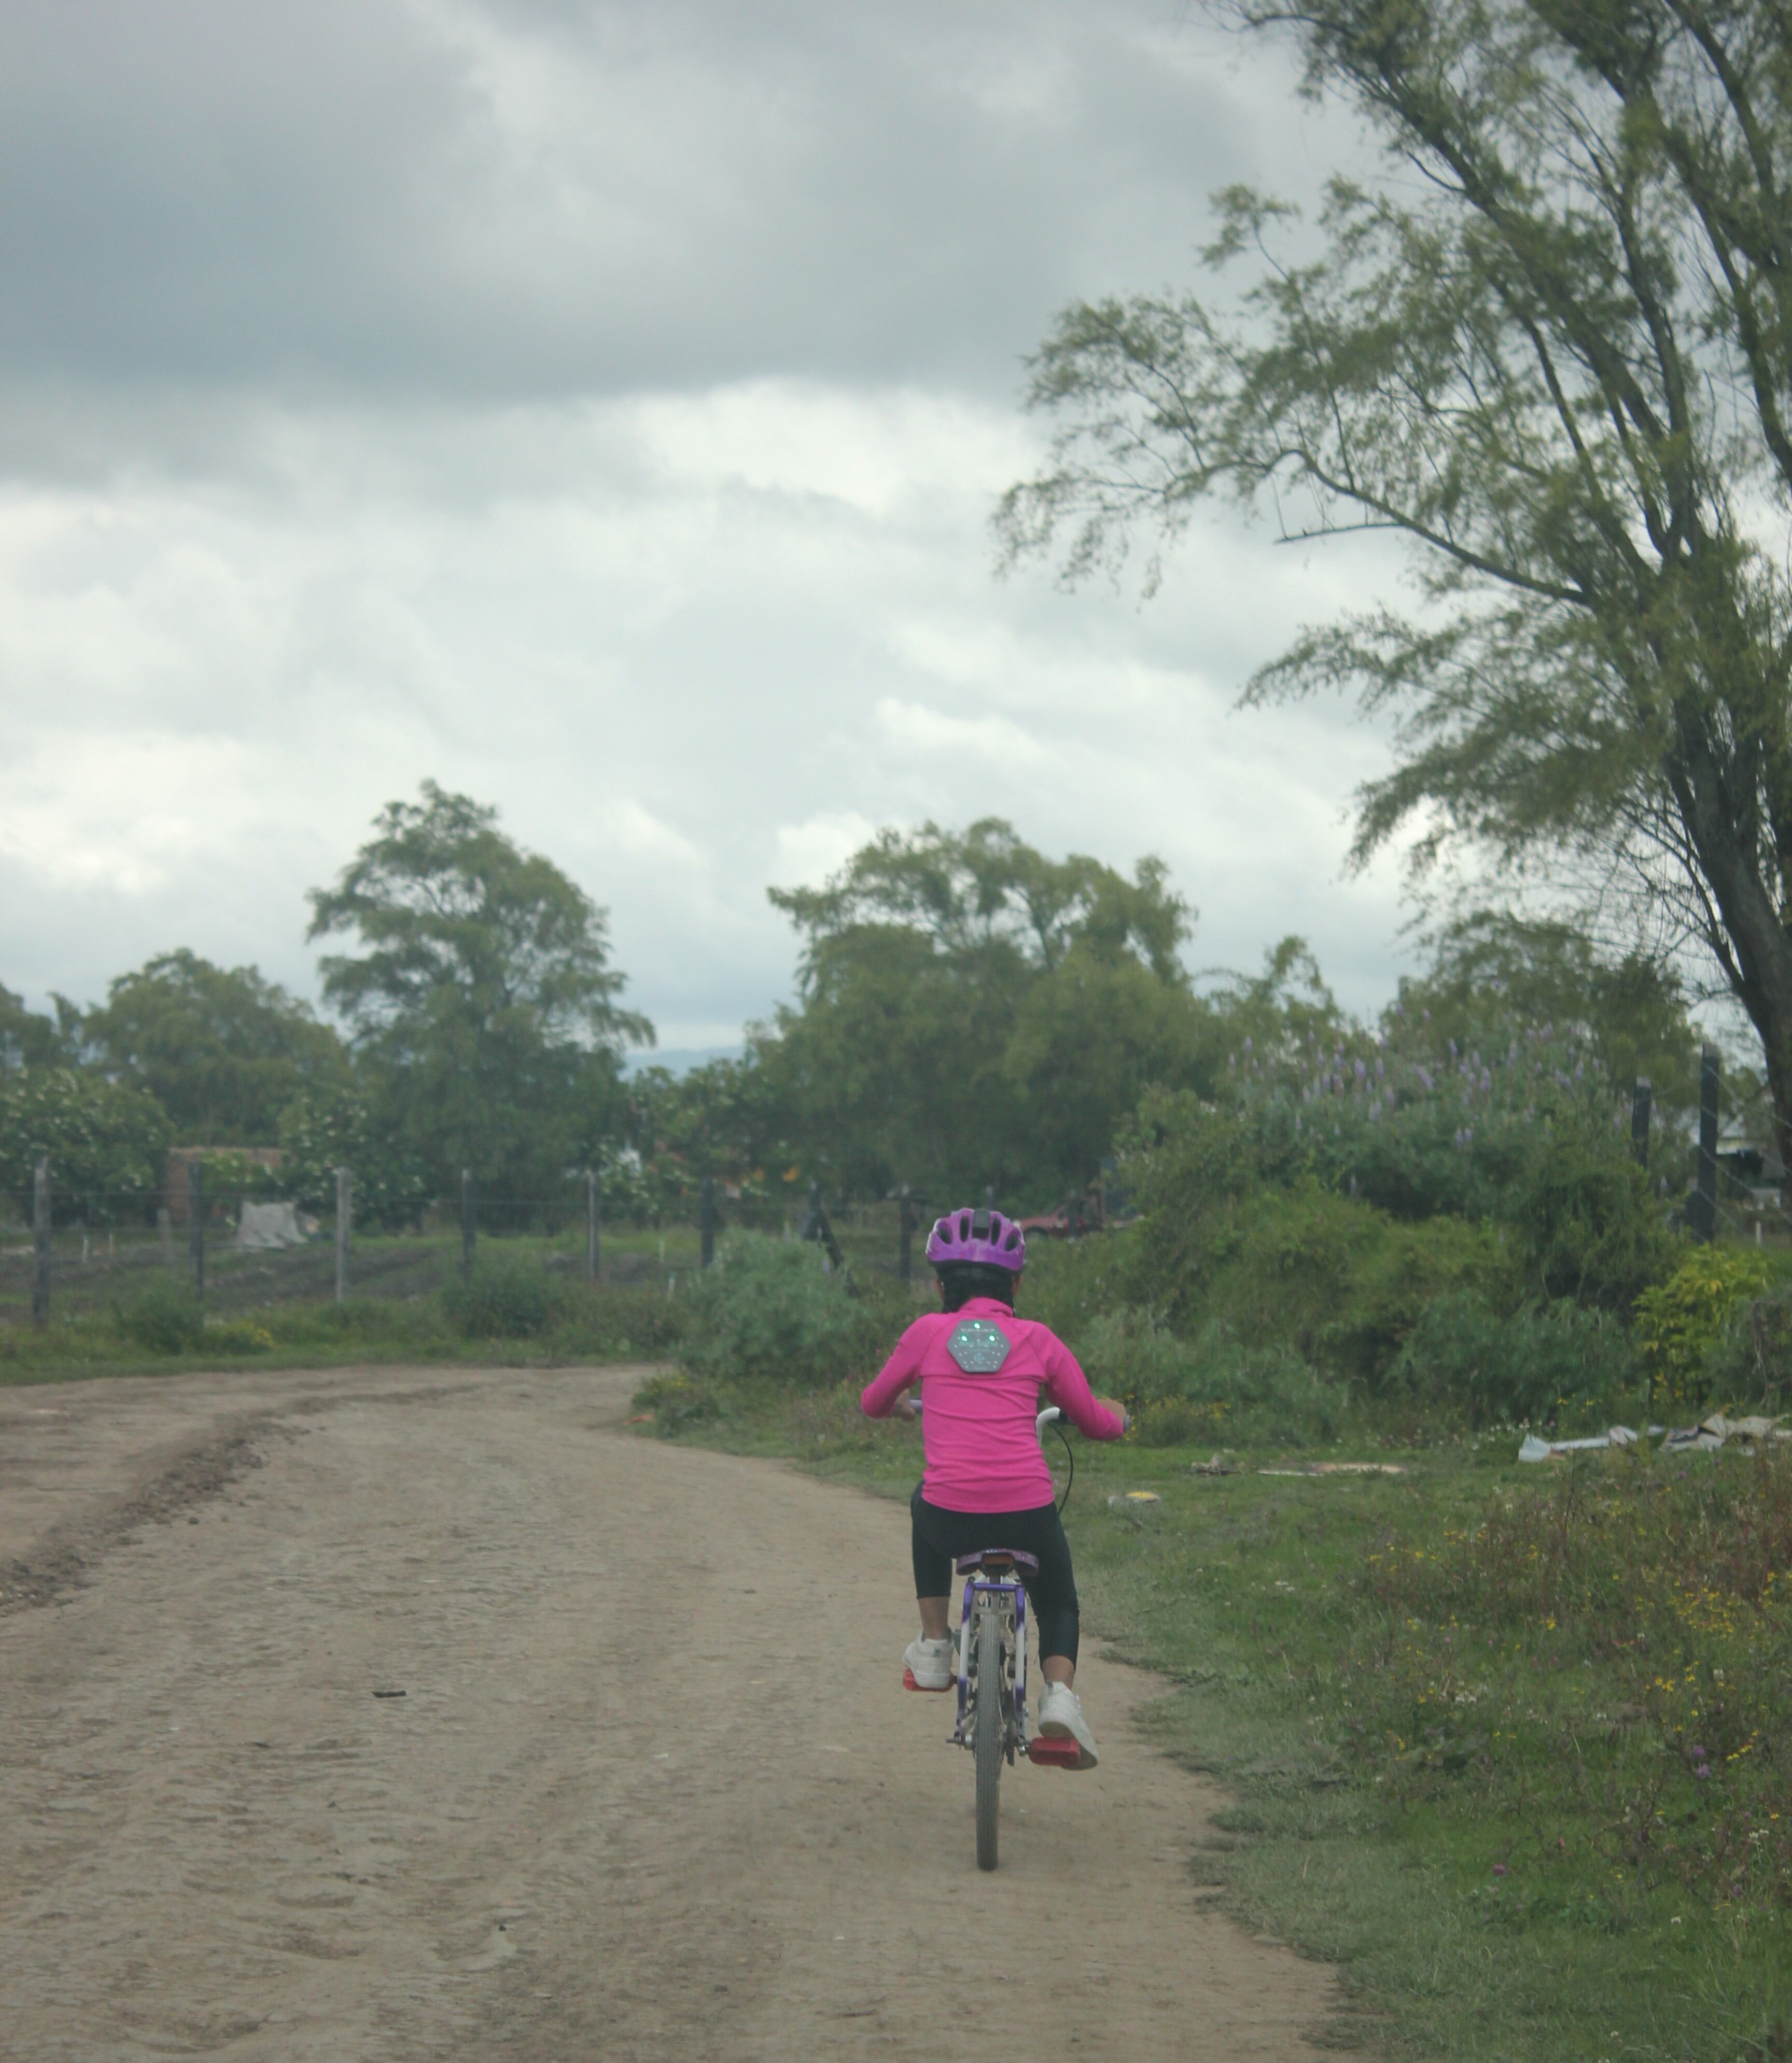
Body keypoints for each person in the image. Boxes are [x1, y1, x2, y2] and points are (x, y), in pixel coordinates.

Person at [860, 1205, 1129, 1768]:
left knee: (921, 1501)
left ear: (939, 1284)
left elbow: (873, 1403)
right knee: (1057, 1598)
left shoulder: (926, 1333)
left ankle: (936, 1645)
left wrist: (903, 1409)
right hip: (1026, 1511)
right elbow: (1094, 1421)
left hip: (950, 1516)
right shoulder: (1037, 1339)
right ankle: (1058, 1698)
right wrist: (1118, 1418)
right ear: (1018, 1283)